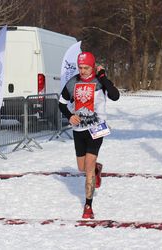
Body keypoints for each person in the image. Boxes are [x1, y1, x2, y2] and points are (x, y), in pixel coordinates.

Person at [59, 52, 120, 219]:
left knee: (88, 168)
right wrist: (69, 116)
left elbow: (115, 96)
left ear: (93, 66)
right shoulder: (73, 82)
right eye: (80, 67)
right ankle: (96, 169)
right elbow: (61, 103)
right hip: (78, 130)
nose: (83, 70)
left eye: (86, 67)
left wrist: (103, 76)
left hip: (96, 128)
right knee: (82, 167)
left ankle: (88, 206)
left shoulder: (100, 82)